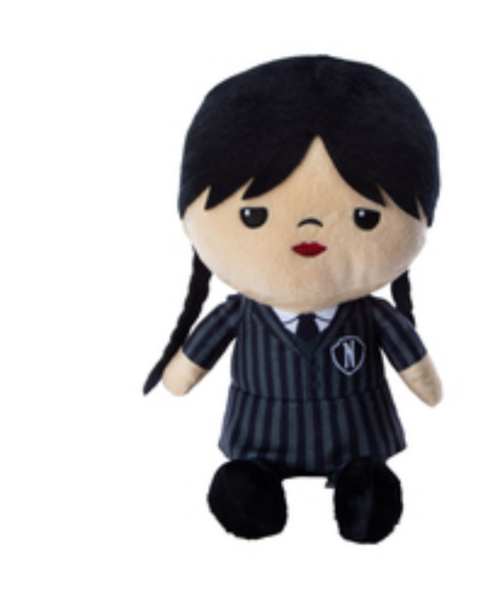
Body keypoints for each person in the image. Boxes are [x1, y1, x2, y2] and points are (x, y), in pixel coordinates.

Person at [144, 55, 442, 543]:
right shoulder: (239, 314)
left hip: (359, 434)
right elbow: (191, 364)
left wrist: (427, 385)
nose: (309, 229)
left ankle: (360, 484)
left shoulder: (372, 316)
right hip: (258, 434)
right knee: (245, 488)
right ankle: (255, 481)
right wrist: (176, 376)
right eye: (254, 216)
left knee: (367, 487)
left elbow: (415, 365)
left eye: (365, 217)